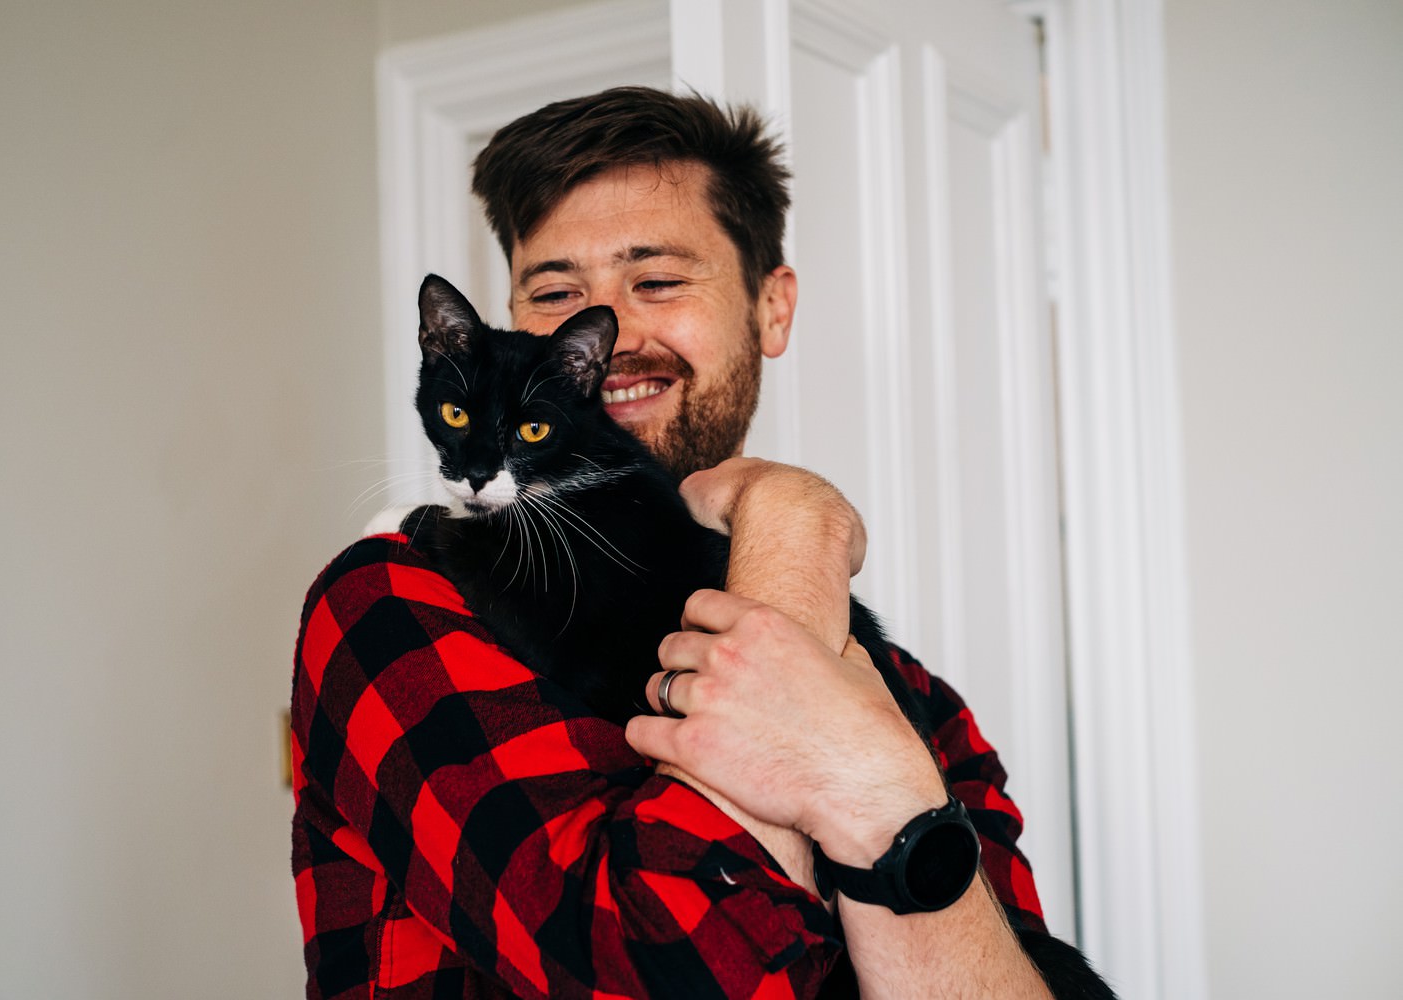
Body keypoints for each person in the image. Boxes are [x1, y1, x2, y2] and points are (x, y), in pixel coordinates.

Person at [292, 87, 1057, 998]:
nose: (607, 340)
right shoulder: (397, 601)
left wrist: (875, 790)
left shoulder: (930, 708)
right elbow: (677, 968)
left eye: (656, 281)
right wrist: (791, 523)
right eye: (554, 292)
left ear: (771, 309)